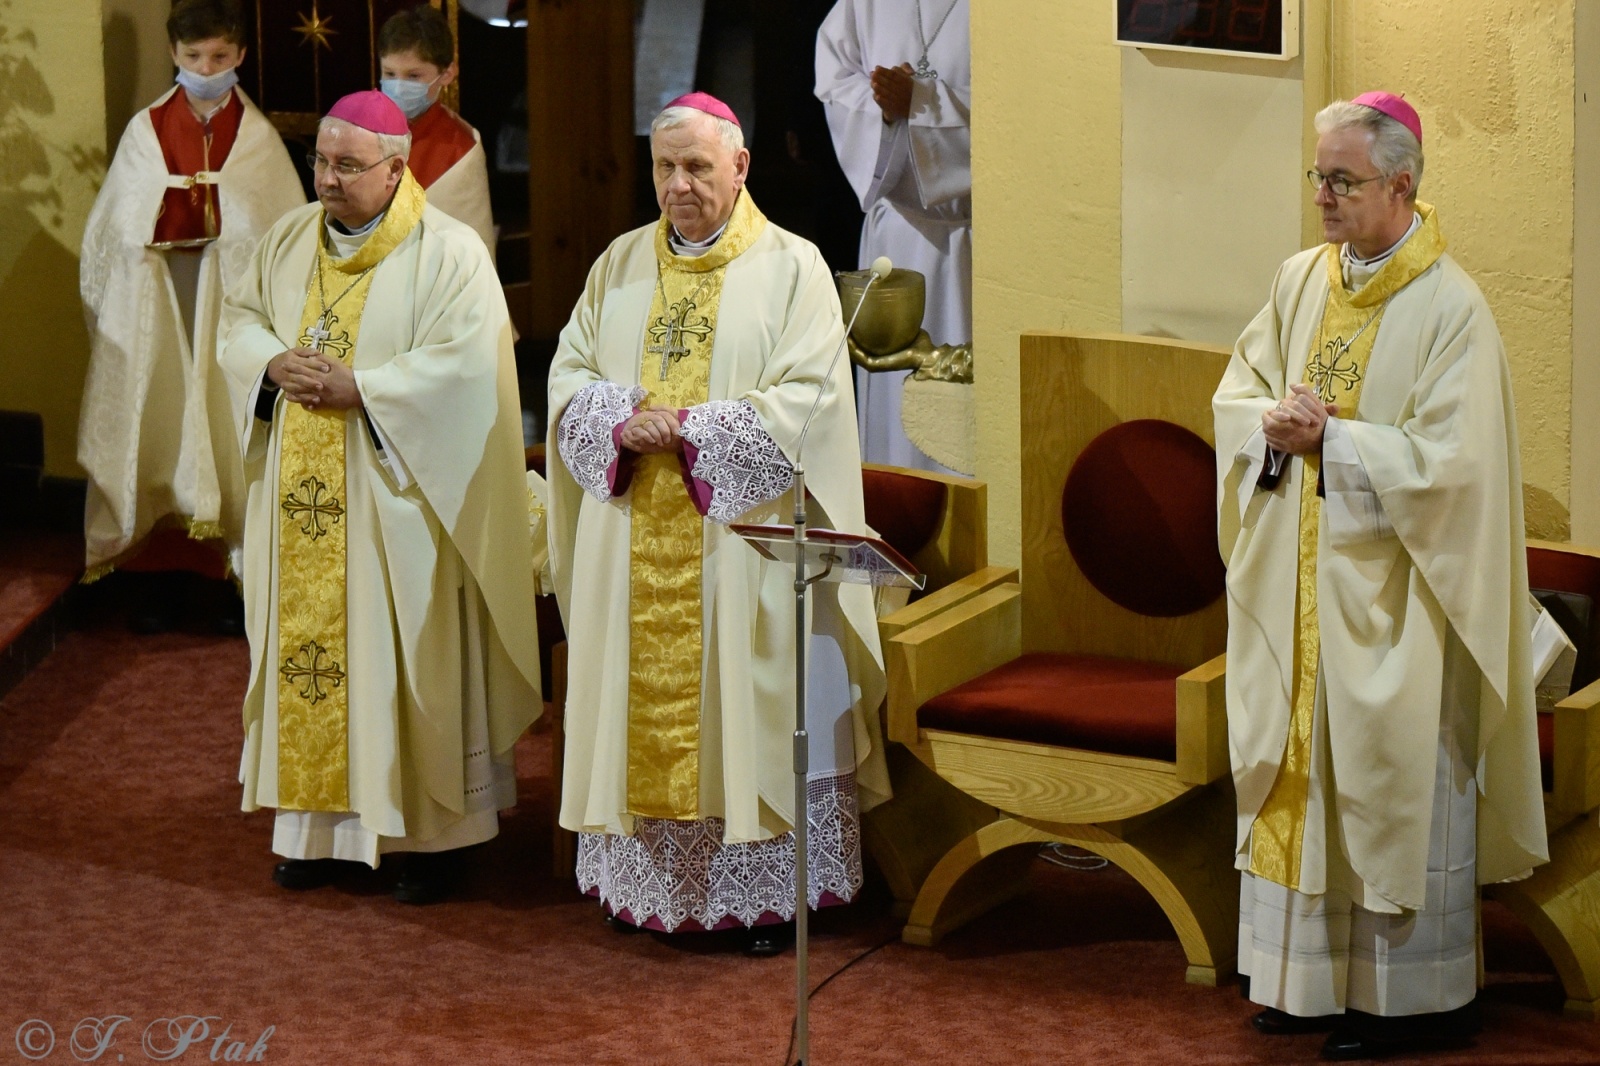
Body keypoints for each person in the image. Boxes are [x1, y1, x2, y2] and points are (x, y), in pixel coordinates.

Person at [1213, 92, 1548, 1060]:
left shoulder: (1453, 308)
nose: (1321, 195)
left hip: (1398, 601)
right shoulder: (1299, 280)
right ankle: (1301, 982)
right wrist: (1265, 430)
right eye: (1317, 176)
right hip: (1301, 583)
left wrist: (1339, 443)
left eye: (1341, 180)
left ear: (1400, 185)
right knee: (1301, 780)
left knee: (1388, 782)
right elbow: (1240, 393)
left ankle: (1407, 999)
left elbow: (1459, 468)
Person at [546, 92, 890, 954]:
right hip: (634, 538)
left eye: (698, 166)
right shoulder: (618, 264)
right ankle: (650, 887)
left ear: (741, 168)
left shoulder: (793, 267)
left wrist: (692, 429)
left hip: (743, 545)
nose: (679, 185)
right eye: (665, 167)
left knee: (754, 706)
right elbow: (567, 374)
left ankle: (765, 897)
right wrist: (619, 421)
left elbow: (810, 397)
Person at [217, 91, 540, 905]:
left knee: (409, 660)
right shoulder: (290, 239)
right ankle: (317, 832)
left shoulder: (450, 253)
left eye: (348, 167)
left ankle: (431, 841)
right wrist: (267, 362)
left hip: (402, 503)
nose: (328, 179)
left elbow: (470, 374)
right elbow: (239, 321)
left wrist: (367, 389)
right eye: (320, 162)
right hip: (301, 499)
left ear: (398, 169)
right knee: (311, 663)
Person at [78, 0, 303, 629]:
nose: (208, 67)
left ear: (241, 57)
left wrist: (217, 224)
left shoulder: (256, 139)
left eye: (221, 58)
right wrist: (162, 221)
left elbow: (275, 227)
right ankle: (146, 569)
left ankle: (226, 568)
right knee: (160, 416)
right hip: (158, 303)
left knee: (217, 419)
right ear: (175, 56)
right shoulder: (145, 131)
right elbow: (114, 229)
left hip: (222, 307)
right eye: (196, 57)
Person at [815, 0, 969, 472]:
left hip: (975, 245)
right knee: (895, 416)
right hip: (897, 238)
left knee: (965, 416)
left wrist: (919, 102)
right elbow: (835, 79)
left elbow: (1029, 102)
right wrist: (885, 111)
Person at [376, 4, 497, 261]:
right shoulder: (360, 130)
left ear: (447, 74)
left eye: (413, 76)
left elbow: (471, 254)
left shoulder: (460, 149)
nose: (398, 86)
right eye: (389, 74)